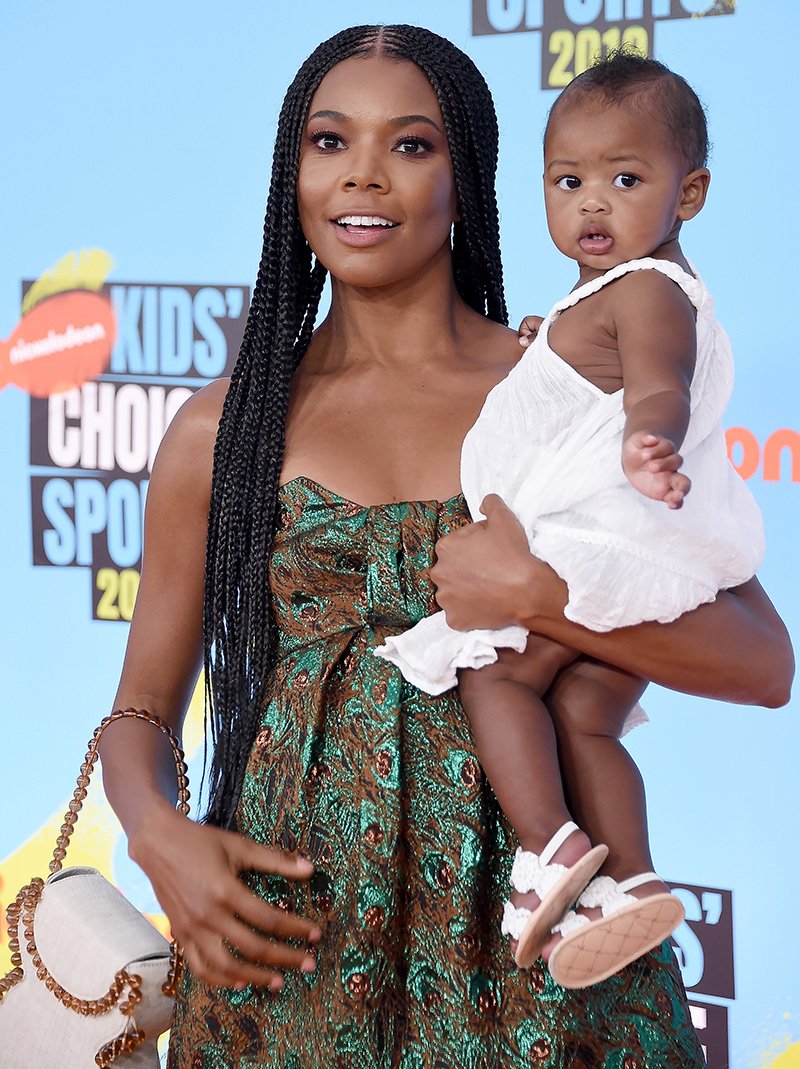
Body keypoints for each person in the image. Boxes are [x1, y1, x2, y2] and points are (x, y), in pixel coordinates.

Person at [96, 24, 793, 1068]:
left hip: (542, 958)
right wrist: (158, 838)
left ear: (470, 180)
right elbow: (142, 707)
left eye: (410, 145)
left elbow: (763, 664)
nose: (363, 175)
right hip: (285, 952)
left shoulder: (558, 399)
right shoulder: (221, 427)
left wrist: (537, 594)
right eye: (329, 143)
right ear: (293, 175)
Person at [374, 50, 768, 989]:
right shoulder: (610, 294)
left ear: (692, 191)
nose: (593, 203)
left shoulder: (647, 290)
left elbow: (658, 381)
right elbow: (593, 375)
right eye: (569, 181)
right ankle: (628, 883)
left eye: (625, 180)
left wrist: (649, 440)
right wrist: (546, 350)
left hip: (600, 547)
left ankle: (549, 848)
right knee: (586, 716)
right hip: (643, 564)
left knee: (500, 680)